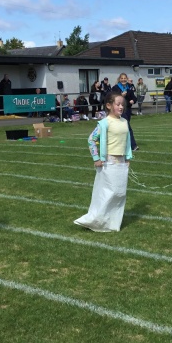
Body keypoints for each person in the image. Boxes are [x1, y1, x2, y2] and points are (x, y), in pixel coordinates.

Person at [74, 92, 133, 232]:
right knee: (107, 193)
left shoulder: (124, 122)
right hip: (108, 163)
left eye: (122, 104)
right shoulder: (104, 123)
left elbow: (127, 141)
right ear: (109, 105)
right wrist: (96, 158)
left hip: (121, 163)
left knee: (119, 193)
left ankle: (112, 222)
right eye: (118, 104)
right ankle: (96, 220)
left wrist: (127, 157)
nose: (121, 107)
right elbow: (91, 140)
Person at [112, 72, 138, 150]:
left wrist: (133, 100)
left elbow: (134, 97)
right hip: (119, 110)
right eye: (122, 78)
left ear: (126, 79)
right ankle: (133, 145)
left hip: (127, 109)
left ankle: (120, 143)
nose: (123, 80)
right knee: (127, 127)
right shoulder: (115, 88)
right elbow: (112, 98)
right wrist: (121, 95)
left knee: (122, 127)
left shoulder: (129, 87)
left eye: (124, 78)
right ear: (119, 79)